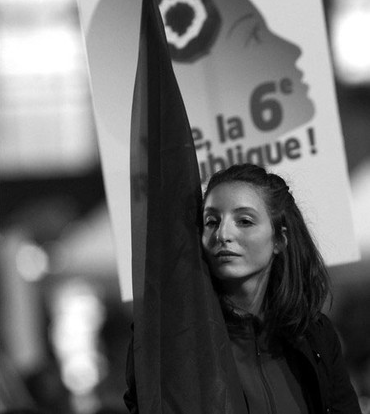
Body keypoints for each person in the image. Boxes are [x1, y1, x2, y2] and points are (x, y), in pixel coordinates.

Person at [125, 163, 361, 413]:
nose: (223, 234)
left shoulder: (316, 335)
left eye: (245, 221)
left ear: (280, 239)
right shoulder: (169, 337)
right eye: (211, 221)